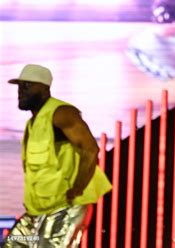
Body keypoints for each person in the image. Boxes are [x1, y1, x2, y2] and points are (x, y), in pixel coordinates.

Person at [4, 64, 112, 247]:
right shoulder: (35, 122)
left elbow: (90, 149)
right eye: (20, 86)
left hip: (63, 209)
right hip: (36, 213)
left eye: (28, 86)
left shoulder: (62, 113)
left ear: (45, 89)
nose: (21, 91)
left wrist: (78, 187)